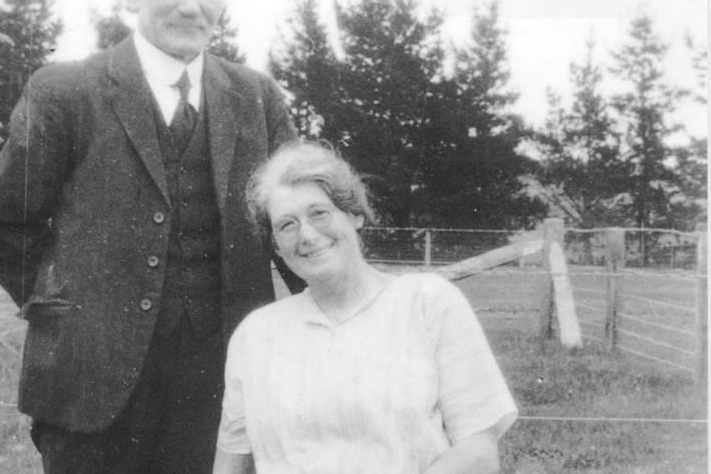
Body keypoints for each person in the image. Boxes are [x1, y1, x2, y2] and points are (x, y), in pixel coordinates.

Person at [0, 0, 303, 474]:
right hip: (89, 387)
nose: (192, 4)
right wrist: (67, 310)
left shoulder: (257, 98)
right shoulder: (66, 90)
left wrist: (353, 310)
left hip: (224, 385)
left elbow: (294, 221)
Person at [213, 140, 518, 474]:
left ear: (354, 213)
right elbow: (231, 463)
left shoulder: (427, 303)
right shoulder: (256, 335)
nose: (308, 235)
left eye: (319, 213)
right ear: (275, 244)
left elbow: (478, 451)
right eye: (287, 224)